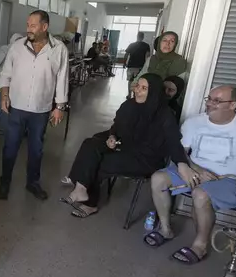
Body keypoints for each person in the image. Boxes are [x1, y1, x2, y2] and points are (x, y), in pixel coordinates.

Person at [146, 85, 236, 264]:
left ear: (233, 105)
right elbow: (180, 151)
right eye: (209, 99)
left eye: (217, 101)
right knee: (158, 179)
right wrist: (195, 169)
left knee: (200, 194)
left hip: (232, 181)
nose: (209, 104)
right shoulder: (194, 122)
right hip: (195, 171)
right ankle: (165, 229)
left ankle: (200, 246)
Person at [60, 74, 187, 218]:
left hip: (145, 159)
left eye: (144, 88)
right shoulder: (129, 105)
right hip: (125, 146)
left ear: (153, 92)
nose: (138, 90)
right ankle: (81, 188)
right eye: (138, 85)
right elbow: (117, 126)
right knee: (90, 143)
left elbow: (173, 141)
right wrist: (112, 137)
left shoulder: (165, 114)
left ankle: (90, 203)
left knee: (100, 162)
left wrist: (182, 163)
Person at [0, 10, 69, 201]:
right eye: (28, 24)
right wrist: (4, 94)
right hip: (16, 107)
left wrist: (59, 107)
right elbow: (6, 73)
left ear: (44, 27)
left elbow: (62, 79)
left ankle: (32, 183)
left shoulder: (58, 49)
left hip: (41, 110)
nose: (28, 29)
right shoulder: (17, 46)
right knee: (10, 147)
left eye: (33, 25)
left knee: (36, 149)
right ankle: (4, 182)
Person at [124, 32, 151, 97]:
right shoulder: (146, 46)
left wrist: (124, 63)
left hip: (131, 65)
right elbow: (147, 56)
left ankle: (129, 94)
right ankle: (135, 94)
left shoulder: (131, 45)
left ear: (137, 36)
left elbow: (126, 55)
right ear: (143, 37)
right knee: (138, 81)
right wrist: (146, 66)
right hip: (140, 66)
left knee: (130, 80)